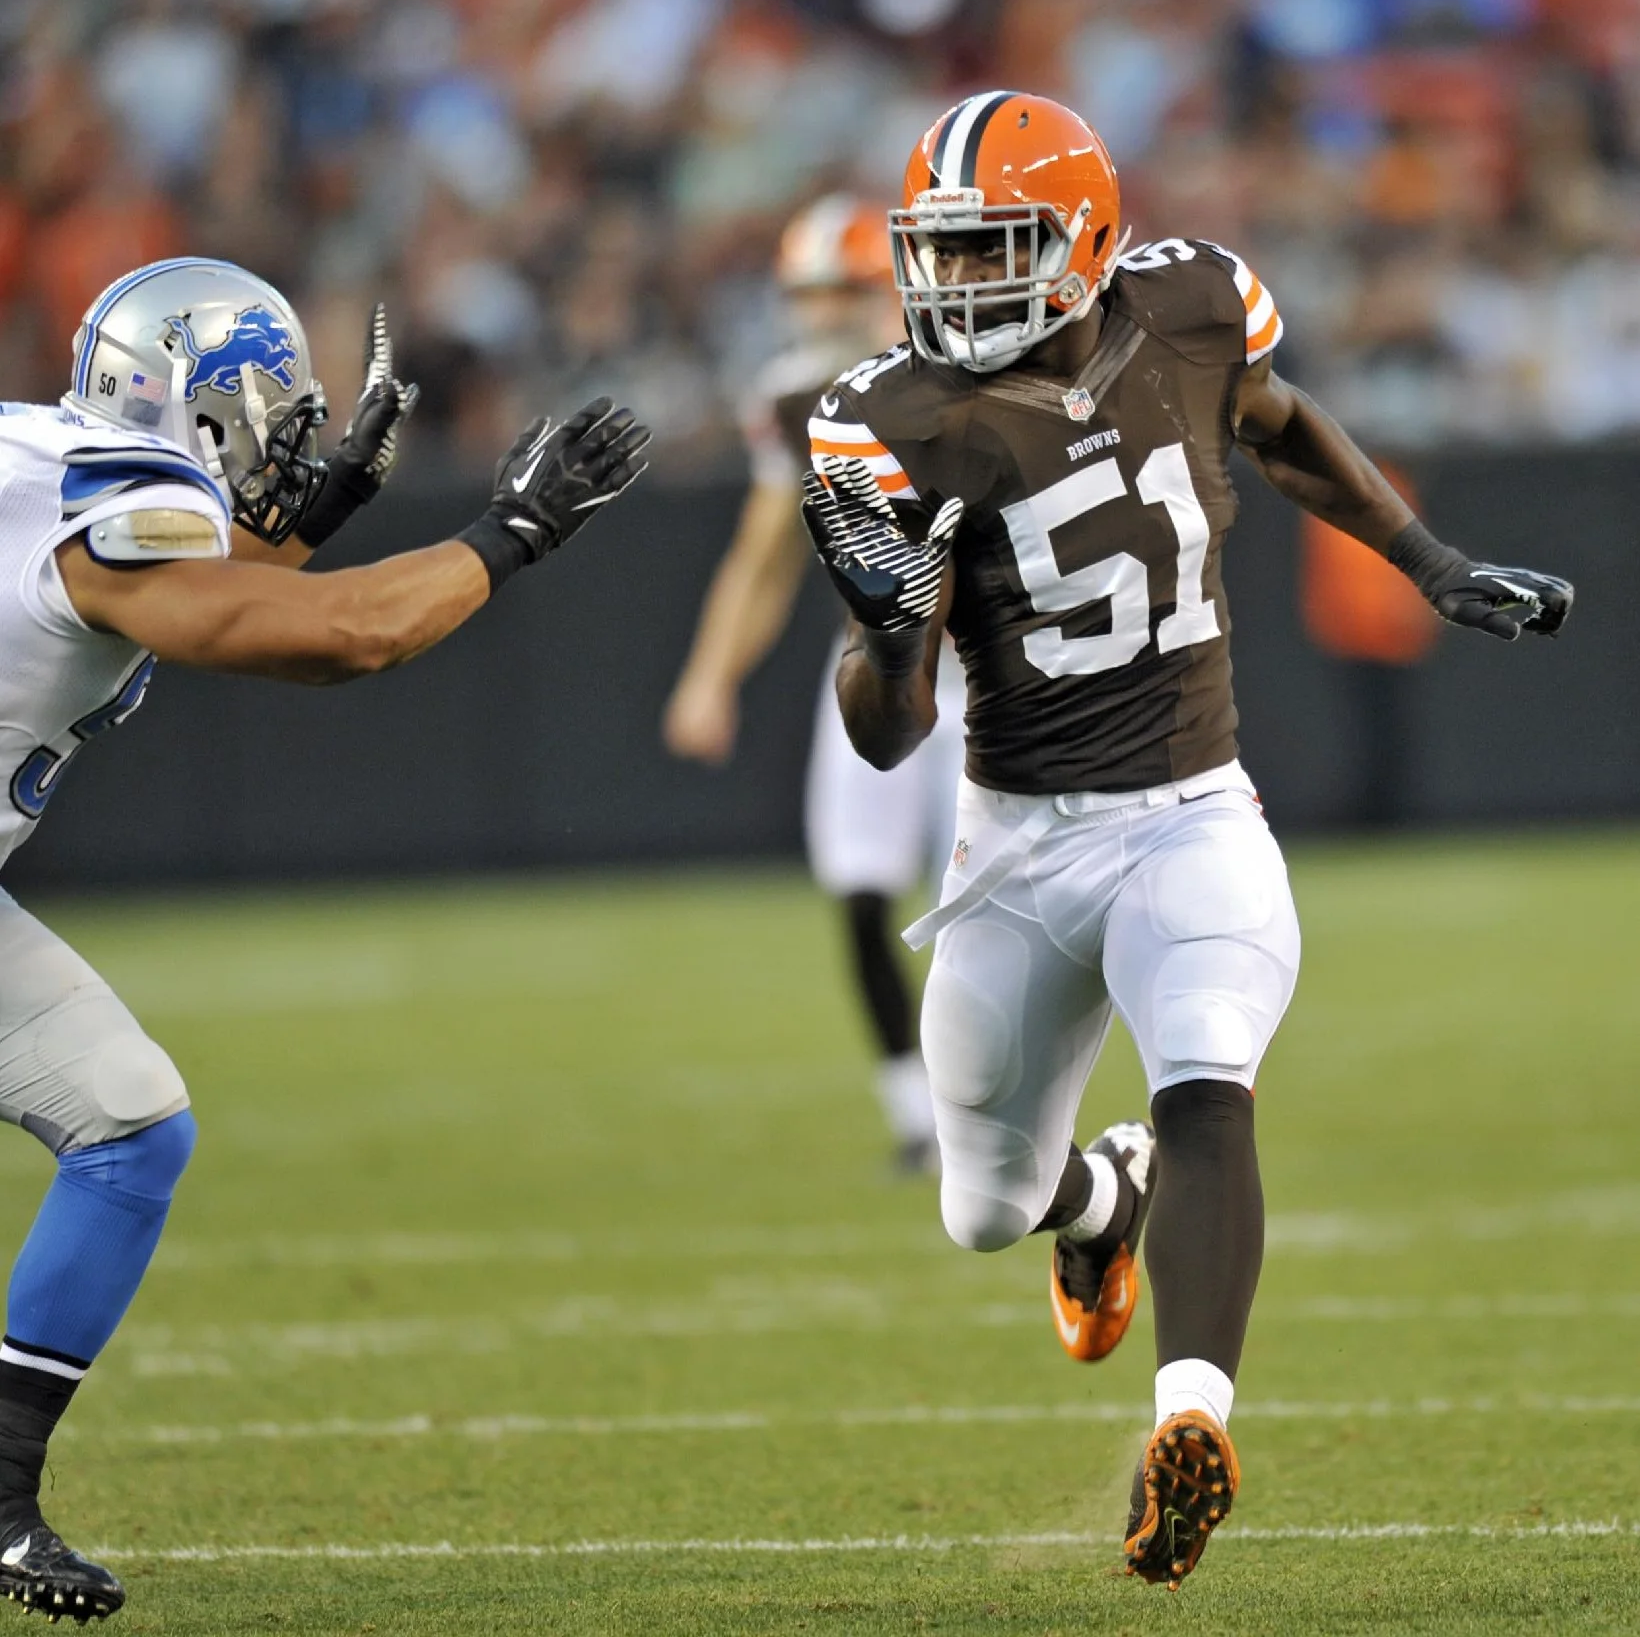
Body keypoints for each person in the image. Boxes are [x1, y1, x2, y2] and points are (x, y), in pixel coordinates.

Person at [799, 94, 1572, 1588]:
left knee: (1209, 1075)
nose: (962, 284)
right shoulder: (885, 420)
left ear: (1085, 239)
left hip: (1189, 811)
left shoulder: (1194, 307)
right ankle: (1099, 1203)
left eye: (997, 249)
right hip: (1013, 844)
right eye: (943, 253)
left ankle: (1190, 1418)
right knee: (984, 1207)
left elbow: (1280, 427)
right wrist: (888, 636)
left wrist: (1428, 562)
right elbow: (888, 732)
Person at [0, 257, 649, 1622]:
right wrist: (510, 532)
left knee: (127, 1119)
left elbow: (181, 590)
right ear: (202, 403)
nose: (291, 439)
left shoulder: (50, 454)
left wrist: (323, 511)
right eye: (275, 412)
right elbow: (340, 637)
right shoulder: (128, 505)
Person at [664, 196, 963, 1174]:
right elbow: (762, 556)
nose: (821, 313)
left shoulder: (959, 374)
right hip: (873, 666)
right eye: (808, 293)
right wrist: (709, 676)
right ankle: (915, 1112)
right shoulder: (794, 395)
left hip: (982, 672)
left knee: (985, 904)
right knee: (861, 888)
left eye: (841, 290)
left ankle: (989, 1102)